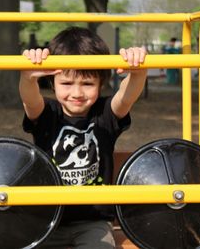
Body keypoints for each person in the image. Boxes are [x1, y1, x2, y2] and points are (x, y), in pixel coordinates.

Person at [19, 26, 147, 249]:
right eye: (66, 83)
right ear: (52, 82)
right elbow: (30, 100)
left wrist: (138, 71)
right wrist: (27, 77)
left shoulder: (105, 114)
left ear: (100, 83)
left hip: (93, 221)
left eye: (87, 84)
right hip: (47, 219)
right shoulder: (47, 112)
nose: (77, 93)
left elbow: (126, 98)